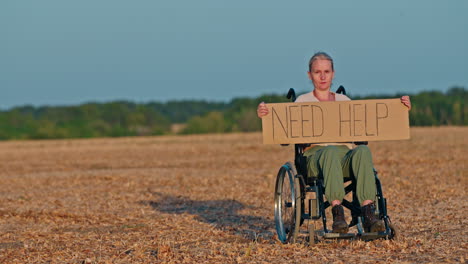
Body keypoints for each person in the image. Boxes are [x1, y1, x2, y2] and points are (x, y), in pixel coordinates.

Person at [257, 52, 411, 233]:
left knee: (363, 151)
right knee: (329, 151)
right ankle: (338, 213)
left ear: (333, 74)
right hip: (316, 158)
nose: (322, 76)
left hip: (344, 156)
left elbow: (361, 136)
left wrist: (400, 109)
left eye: (326, 71)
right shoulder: (302, 101)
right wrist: (267, 116)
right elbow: (285, 135)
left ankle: (369, 212)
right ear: (309, 75)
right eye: (317, 72)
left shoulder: (344, 101)